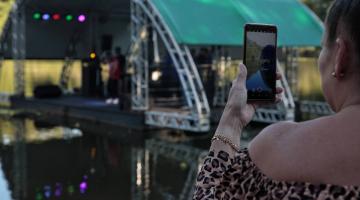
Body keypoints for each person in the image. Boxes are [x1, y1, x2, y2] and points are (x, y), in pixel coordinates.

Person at [193, 0, 360, 199]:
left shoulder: (277, 147)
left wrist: (232, 120)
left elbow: (209, 194)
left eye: (323, 46)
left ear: (340, 56)